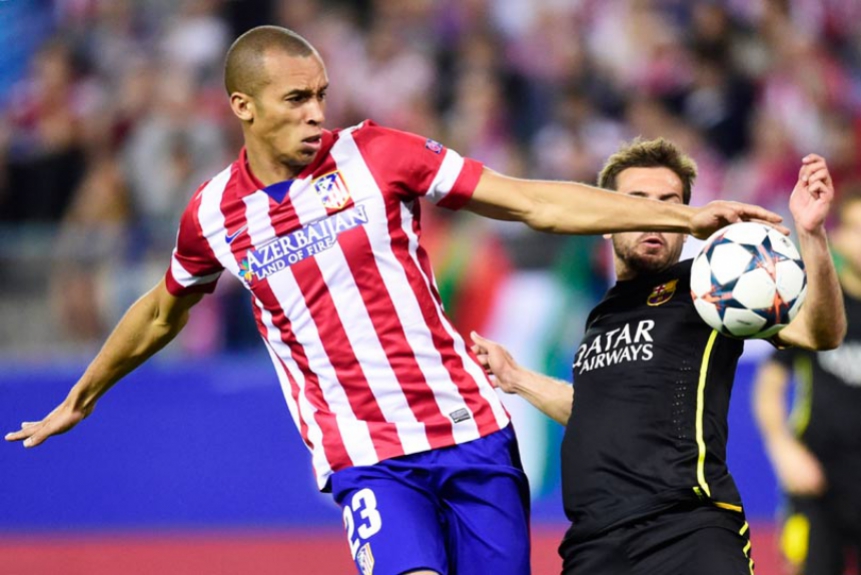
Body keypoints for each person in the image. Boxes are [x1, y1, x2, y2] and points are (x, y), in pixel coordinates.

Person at [5, 27, 785, 575]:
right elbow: (162, 307)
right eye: (295, 99)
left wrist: (679, 215)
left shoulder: (380, 155)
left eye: (321, 95)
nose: (317, 113)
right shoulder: (212, 215)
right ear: (243, 107)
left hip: (472, 435)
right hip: (367, 458)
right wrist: (85, 392)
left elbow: (529, 202)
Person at [471, 138, 845, 575]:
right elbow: (594, 411)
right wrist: (517, 377)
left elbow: (822, 334)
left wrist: (812, 235)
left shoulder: (710, 284)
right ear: (608, 220)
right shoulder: (601, 313)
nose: (654, 217)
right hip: (593, 544)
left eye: (669, 203)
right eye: (639, 202)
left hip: (688, 532)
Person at [753, 189, 861, 575]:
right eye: (857, 229)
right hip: (818, 477)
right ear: (841, 238)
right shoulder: (816, 305)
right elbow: (770, 384)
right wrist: (782, 447)